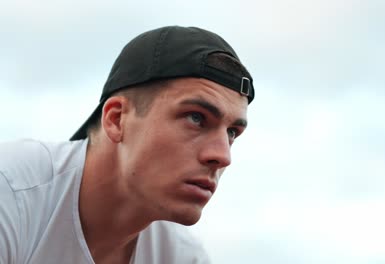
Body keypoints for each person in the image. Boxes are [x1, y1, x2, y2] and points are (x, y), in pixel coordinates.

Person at [0, 26, 255, 264]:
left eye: (232, 132)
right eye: (196, 118)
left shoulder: (182, 256)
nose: (222, 156)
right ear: (117, 119)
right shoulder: (12, 194)